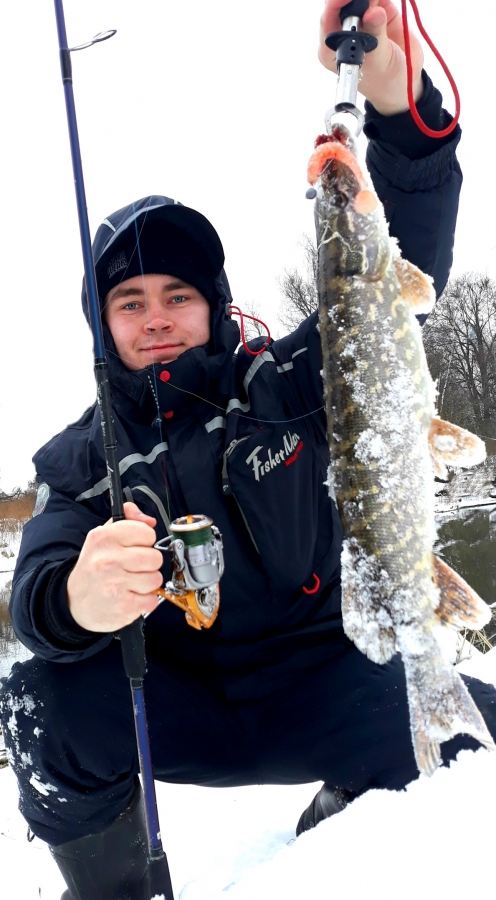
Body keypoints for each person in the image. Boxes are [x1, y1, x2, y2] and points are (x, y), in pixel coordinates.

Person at [2, 1, 496, 898]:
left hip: (327, 680)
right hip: (174, 705)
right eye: (130, 302)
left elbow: (393, 277)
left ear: (214, 303)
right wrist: (75, 600)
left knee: (478, 745)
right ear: (103, 325)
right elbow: (35, 595)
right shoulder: (77, 458)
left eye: (179, 295)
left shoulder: (289, 382)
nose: (156, 316)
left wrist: (398, 112)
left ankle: (355, 807)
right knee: (40, 701)